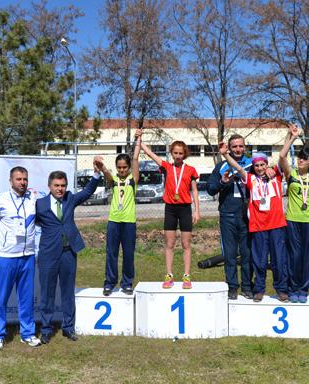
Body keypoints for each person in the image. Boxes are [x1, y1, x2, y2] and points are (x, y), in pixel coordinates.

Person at [36, 157, 105, 344]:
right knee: (47, 294)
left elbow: (88, 191)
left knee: (67, 292)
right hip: (48, 255)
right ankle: (46, 329)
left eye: (63, 185)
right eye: (57, 185)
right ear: (49, 186)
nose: (60, 189)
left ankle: (68, 328)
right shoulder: (39, 204)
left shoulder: (70, 199)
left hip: (68, 253)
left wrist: (96, 173)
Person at [219, 142, 289, 303]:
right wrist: (225, 154)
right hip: (258, 226)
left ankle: (281, 289)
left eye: (262, 165)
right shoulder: (250, 179)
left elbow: (283, 156)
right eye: (256, 165)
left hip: (277, 224)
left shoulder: (276, 176)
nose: (259, 168)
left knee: (279, 259)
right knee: (259, 260)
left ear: (267, 165)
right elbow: (237, 167)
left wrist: (291, 138)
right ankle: (259, 289)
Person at [139, 134, 200, 289]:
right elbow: (150, 154)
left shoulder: (191, 170)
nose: (178, 156)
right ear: (171, 153)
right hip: (170, 209)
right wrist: (139, 139)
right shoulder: (167, 167)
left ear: (184, 154)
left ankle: (186, 276)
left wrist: (197, 211)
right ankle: (169, 275)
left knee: (186, 243)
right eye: (175, 153)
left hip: (185, 209)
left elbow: (194, 191)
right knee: (170, 243)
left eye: (181, 153)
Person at [0, 166, 40, 351]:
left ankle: (27, 333)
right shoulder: (0, 200)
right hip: (6, 256)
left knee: (26, 298)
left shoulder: (33, 199)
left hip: (27, 256)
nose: (22, 183)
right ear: (10, 181)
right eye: (18, 179)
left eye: (25, 179)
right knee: (0, 298)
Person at [207, 134, 253, 300]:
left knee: (248, 253)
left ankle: (247, 286)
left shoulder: (251, 164)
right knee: (230, 253)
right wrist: (222, 182)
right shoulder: (221, 166)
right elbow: (210, 189)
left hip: (248, 216)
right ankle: (232, 286)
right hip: (228, 215)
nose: (238, 149)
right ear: (229, 148)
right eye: (234, 147)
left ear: (245, 147)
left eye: (240, 146)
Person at [278, 125, 309, 303]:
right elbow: (281, 156)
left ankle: (303, 289)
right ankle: (293, 287)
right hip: (292, 220)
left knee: (307, 256)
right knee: (293, 255)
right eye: (300, 157)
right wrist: (293, 137)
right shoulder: (291, 174)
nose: (301, 160)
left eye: (305, 158)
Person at [100, 131, 141, 296]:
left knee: (129, 253)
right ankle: (109, 282)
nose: (122, 170)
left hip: (129, 222)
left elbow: (136, 158)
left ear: (129, 167)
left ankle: (127, 282)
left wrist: (139, 139)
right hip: (114, 221)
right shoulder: (113, 180)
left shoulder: (133, 180)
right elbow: (107, 173)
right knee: (111, 253)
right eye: (119, 167)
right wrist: (102, 166)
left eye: (125, 167)